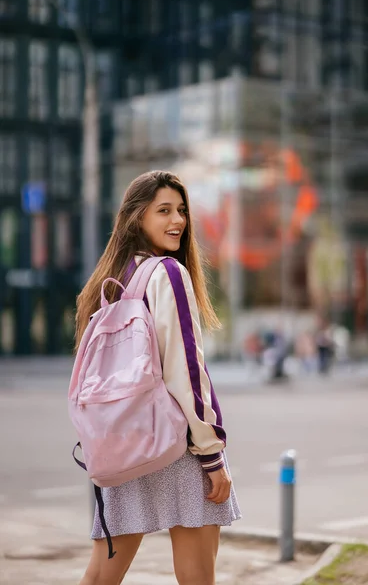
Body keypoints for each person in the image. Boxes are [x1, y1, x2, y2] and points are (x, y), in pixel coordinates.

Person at [74, 171, 241, 585]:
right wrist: (211, 454)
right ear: (137, 218)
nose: (178, 220)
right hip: (178, 447)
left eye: (181, 210)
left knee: (99, 577)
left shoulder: (114, 279)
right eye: (163, 210)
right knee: (197, 578)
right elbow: (186, 369)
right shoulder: (168, 273)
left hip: (125, 443)